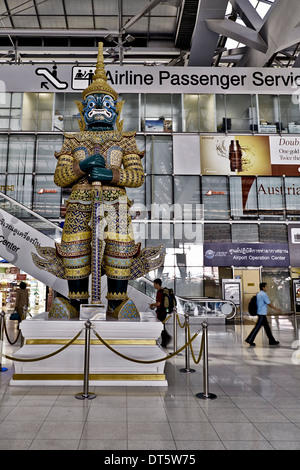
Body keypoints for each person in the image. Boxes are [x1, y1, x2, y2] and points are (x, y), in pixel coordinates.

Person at [32, 43, 165, 316]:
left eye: (106, 104)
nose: (99, 109)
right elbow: (61, 177)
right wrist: (82, 166)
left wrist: (110, 175)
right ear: (83, 111)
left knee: (119, 249)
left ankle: (117, 302)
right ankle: (75, 301)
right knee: (75, 249)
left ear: (116, 110)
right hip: (80, 203)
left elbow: (137, 177)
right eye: (92, 104)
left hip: (115, 205)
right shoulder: (73, 140)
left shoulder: (125, 140)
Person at [245, 282, 281, 347]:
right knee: (257, 327)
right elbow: (269, 304)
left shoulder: (259, 294)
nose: (267, 288)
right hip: (262, 313)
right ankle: (250, 340)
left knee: (267, 328)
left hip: (261, 313)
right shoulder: (263, 294)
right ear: (263, 287)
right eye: (266, 286)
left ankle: (272, 341)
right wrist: (276, 309)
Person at [149, 278, 171, 347]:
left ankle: (165, 340)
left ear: (157, 284)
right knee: (162, 326)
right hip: (164, 311)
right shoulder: (163, 292)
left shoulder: (159, 292)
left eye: (154, 284)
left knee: (161, 327)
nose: (154, 285)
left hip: (161, 312)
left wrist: (152, 304)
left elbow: (158, 303)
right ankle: (165, 339)